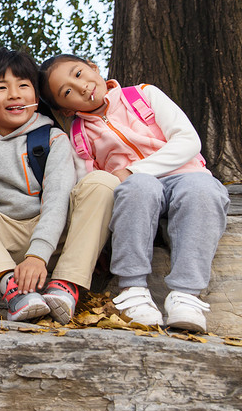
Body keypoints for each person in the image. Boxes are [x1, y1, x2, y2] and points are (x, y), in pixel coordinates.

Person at [38, 54, 229, 332]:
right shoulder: (78, 135)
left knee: (202, 190)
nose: (81, 87)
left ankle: (186, 296)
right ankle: (133, 291)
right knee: (140, 187)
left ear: (94, 67)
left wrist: (133, 170)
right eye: (67, 92)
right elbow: (90, 186)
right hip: (135, 194)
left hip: (184, 176)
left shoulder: (143, 95)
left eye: (79, 74)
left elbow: (188, 140)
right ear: (65, 109)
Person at [0, 48, 118, 324]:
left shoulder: (53, 138)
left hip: (54, 239)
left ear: (36, 96)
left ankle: (66, 285)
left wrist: (37, 256)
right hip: (3, 239)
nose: (15, 94)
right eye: (2, 88)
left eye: (23, 86)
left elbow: (57, 200)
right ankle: (13, 289)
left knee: (103, 182)